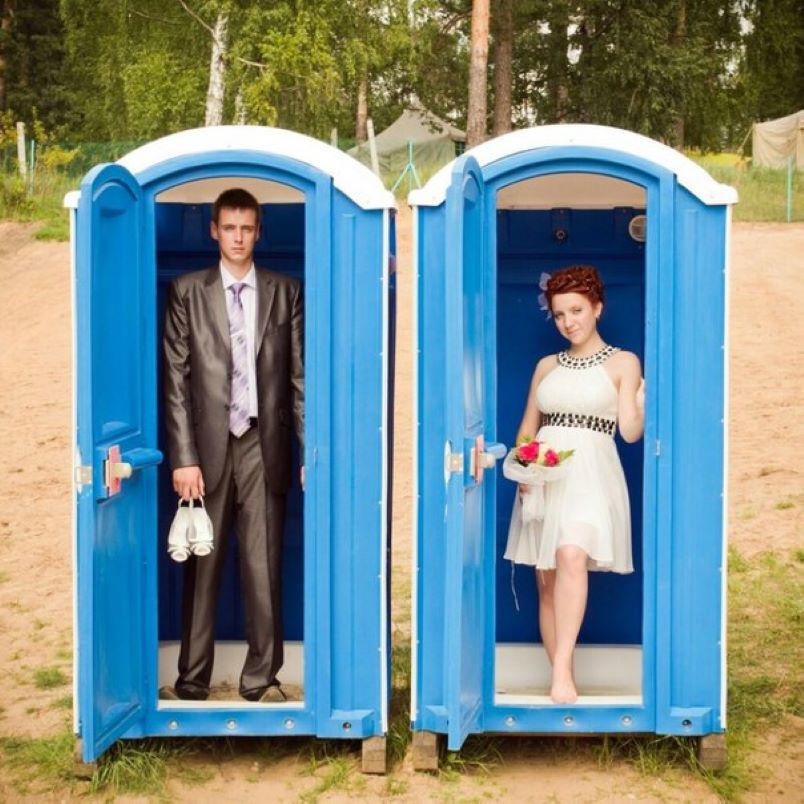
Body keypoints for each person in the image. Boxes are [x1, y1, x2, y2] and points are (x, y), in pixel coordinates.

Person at [161, 188, 304, 703]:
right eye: (230, 228)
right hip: (206, 449)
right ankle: (192, 678)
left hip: (265, 444)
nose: (238, 237)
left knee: (264, 566)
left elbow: (300, 379)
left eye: (247, 228)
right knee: (204, 563)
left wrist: (306, 453)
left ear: (259, 231)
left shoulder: (286, 292)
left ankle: (261, 678)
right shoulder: (186, 291)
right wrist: (183, 457)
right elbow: (175, 380)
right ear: (214, 231)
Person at [508, 264, 644, 704]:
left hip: (592, 475)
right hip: (544, 477)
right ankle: (560, 674)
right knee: (546, 580)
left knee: (570, 555)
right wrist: (527, 470)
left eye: (577, 310)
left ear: (597, 308)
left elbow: (629, 432)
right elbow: (527, 431)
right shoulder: (546, 366)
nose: (569, 321)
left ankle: (562, 672)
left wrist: (643, 400)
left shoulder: (624, 362)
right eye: (560, 314)